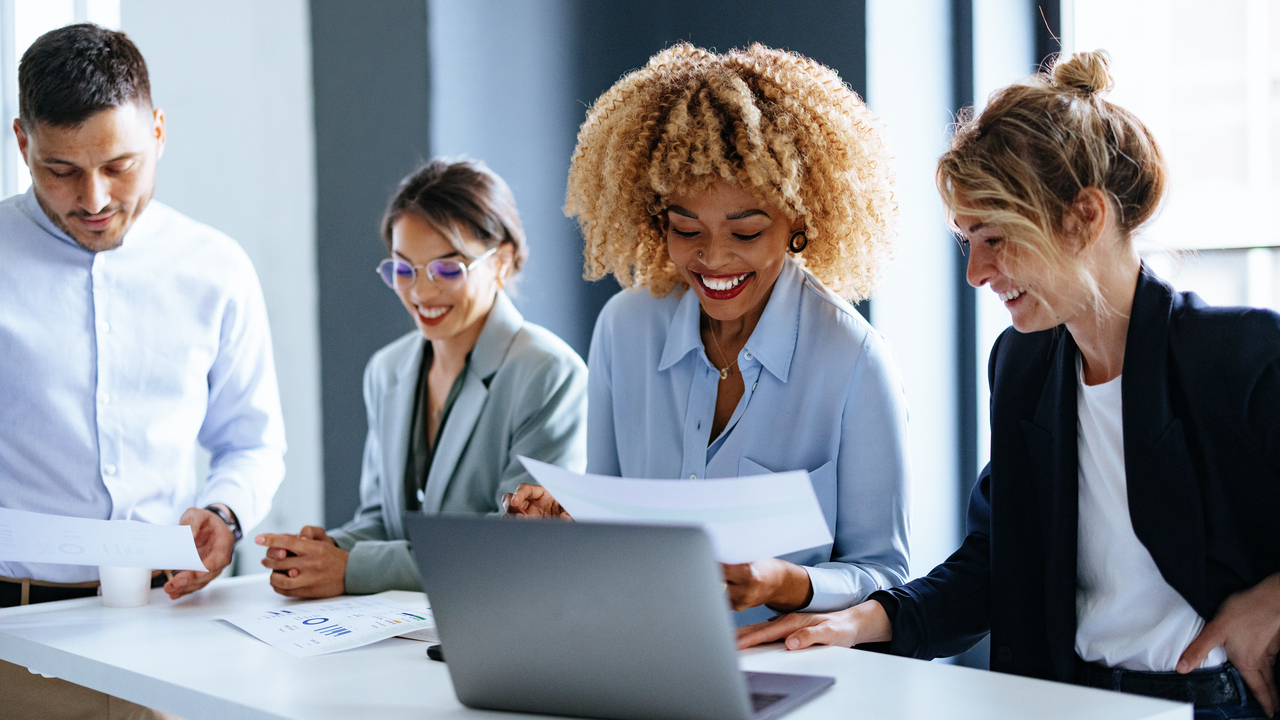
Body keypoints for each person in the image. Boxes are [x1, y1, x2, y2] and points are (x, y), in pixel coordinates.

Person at [738, 50, 1280, 719]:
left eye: (995, 237)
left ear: (1086, 218)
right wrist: (863, 621)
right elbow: (998, 566)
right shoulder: (1023, 368)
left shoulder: (1242, 356)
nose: (976, 272)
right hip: (1066, 702)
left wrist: (1274, 598)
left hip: (1216, 704)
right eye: (967, 240)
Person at [509, 43, 911, 626]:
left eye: (746, 232)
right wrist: (564, 523)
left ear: (799, 222)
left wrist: (789, 584)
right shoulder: (624, 331)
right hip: (636, 652)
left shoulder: (855, 362)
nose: (714, 259)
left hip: (785, 673)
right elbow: (608, 525)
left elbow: (887, 575)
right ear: (656, 219)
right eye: (685, 228)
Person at [0, 23, 285, 718]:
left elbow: (253, 440)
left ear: (158, 131)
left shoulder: (216, 268)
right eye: (60, 170)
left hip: (177, 630)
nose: (94, 199)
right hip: (16, 639)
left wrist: (225, 511)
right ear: (21, 143)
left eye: (119, 165)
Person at [255, 159, 588, 598]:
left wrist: (353, 569)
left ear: (502, 262)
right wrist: (328, 549)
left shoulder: (548, 373)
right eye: (403, 269)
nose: (421, 292)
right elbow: (380, 519)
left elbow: (515, 543)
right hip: (399, 631)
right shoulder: (387, 370)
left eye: (447, 269)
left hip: (497, 621)